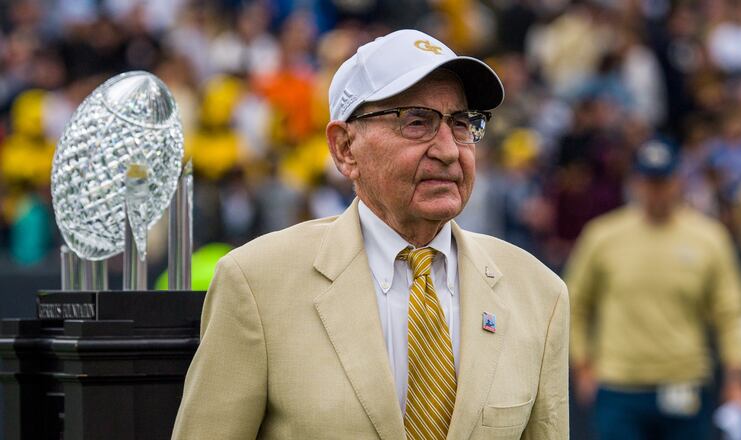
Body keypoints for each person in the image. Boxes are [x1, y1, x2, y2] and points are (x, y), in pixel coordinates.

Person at [172, 29, 569, 440]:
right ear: (344, 147)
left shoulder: (540, 295)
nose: (449, 150)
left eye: (462, 123)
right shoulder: (256, 284)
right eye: (417, 122)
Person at [564, 140, 741, 440]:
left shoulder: (708, 238)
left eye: (663, 180)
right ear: (636, 182)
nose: (656, 190)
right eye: (649, 181)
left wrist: (736, 379)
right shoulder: (603, 237)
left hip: (684, 381)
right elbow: (574, 303)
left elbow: (730, 312)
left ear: (678, 180)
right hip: (619, 385)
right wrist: (582, 366)